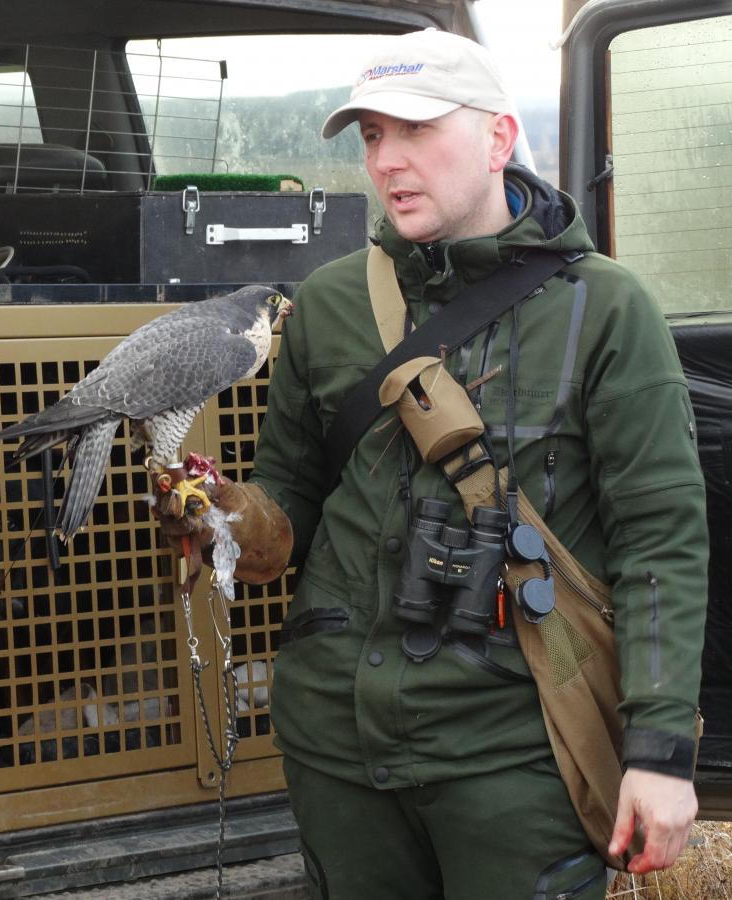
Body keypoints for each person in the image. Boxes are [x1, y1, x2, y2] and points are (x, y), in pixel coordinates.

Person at [158, 29, 707, 899]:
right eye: (374, 135)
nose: (387, 160)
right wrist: (231, 517)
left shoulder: (605, 309)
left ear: (497, 138)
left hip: (515, 755)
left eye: (417, 129)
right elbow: (292, 493)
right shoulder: (331, 301)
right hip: (337, 748)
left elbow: (660, 541)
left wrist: (660, 753)